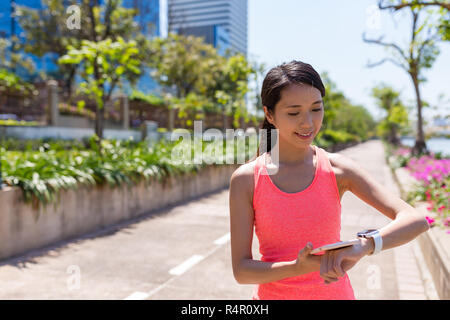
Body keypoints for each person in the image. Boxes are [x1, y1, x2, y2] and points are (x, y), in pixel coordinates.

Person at [228, 60, 430, 300]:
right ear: (269, 114)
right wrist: (296, 268)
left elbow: (416, 219)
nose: (308, 123)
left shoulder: (338, 169)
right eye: (294, 112)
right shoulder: (247, 179)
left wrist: (365, 246)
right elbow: (241, 271)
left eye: (316, 108)